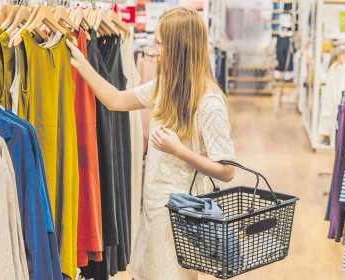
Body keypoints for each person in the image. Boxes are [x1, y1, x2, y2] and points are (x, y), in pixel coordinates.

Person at [66, 6, 236, 280]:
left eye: (160, 43)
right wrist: (82, 63)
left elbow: (227, 171)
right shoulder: (164, 86)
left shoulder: (210, 103)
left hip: (183, 217)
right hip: (155, 211)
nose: (154, 51)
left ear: (179, 47)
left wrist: (178, 150)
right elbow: (115, 100)